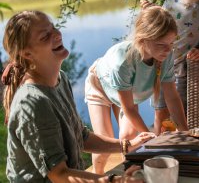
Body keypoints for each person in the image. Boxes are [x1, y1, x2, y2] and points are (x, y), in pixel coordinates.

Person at [2, 10, 155, 182]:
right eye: (45, 36)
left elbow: (81, 137)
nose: (57, 35)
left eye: (54, 28)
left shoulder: (61, 79)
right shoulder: (33, 103)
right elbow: (59, 175)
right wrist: (114, 180)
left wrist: (127, 144)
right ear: (27, 54)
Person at [85, 6, 188, 174]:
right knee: (104, 147)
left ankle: (129, 175)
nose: (168, 50)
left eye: (171, 42)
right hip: (101, 89)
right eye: (162, 44)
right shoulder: (124, 62)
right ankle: (97, 176)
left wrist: (185, 131)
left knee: (129, 138)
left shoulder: (166, 55)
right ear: (142, 40)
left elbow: (172, 97)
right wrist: (151, 137)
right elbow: (130, 109)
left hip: (129, 95)